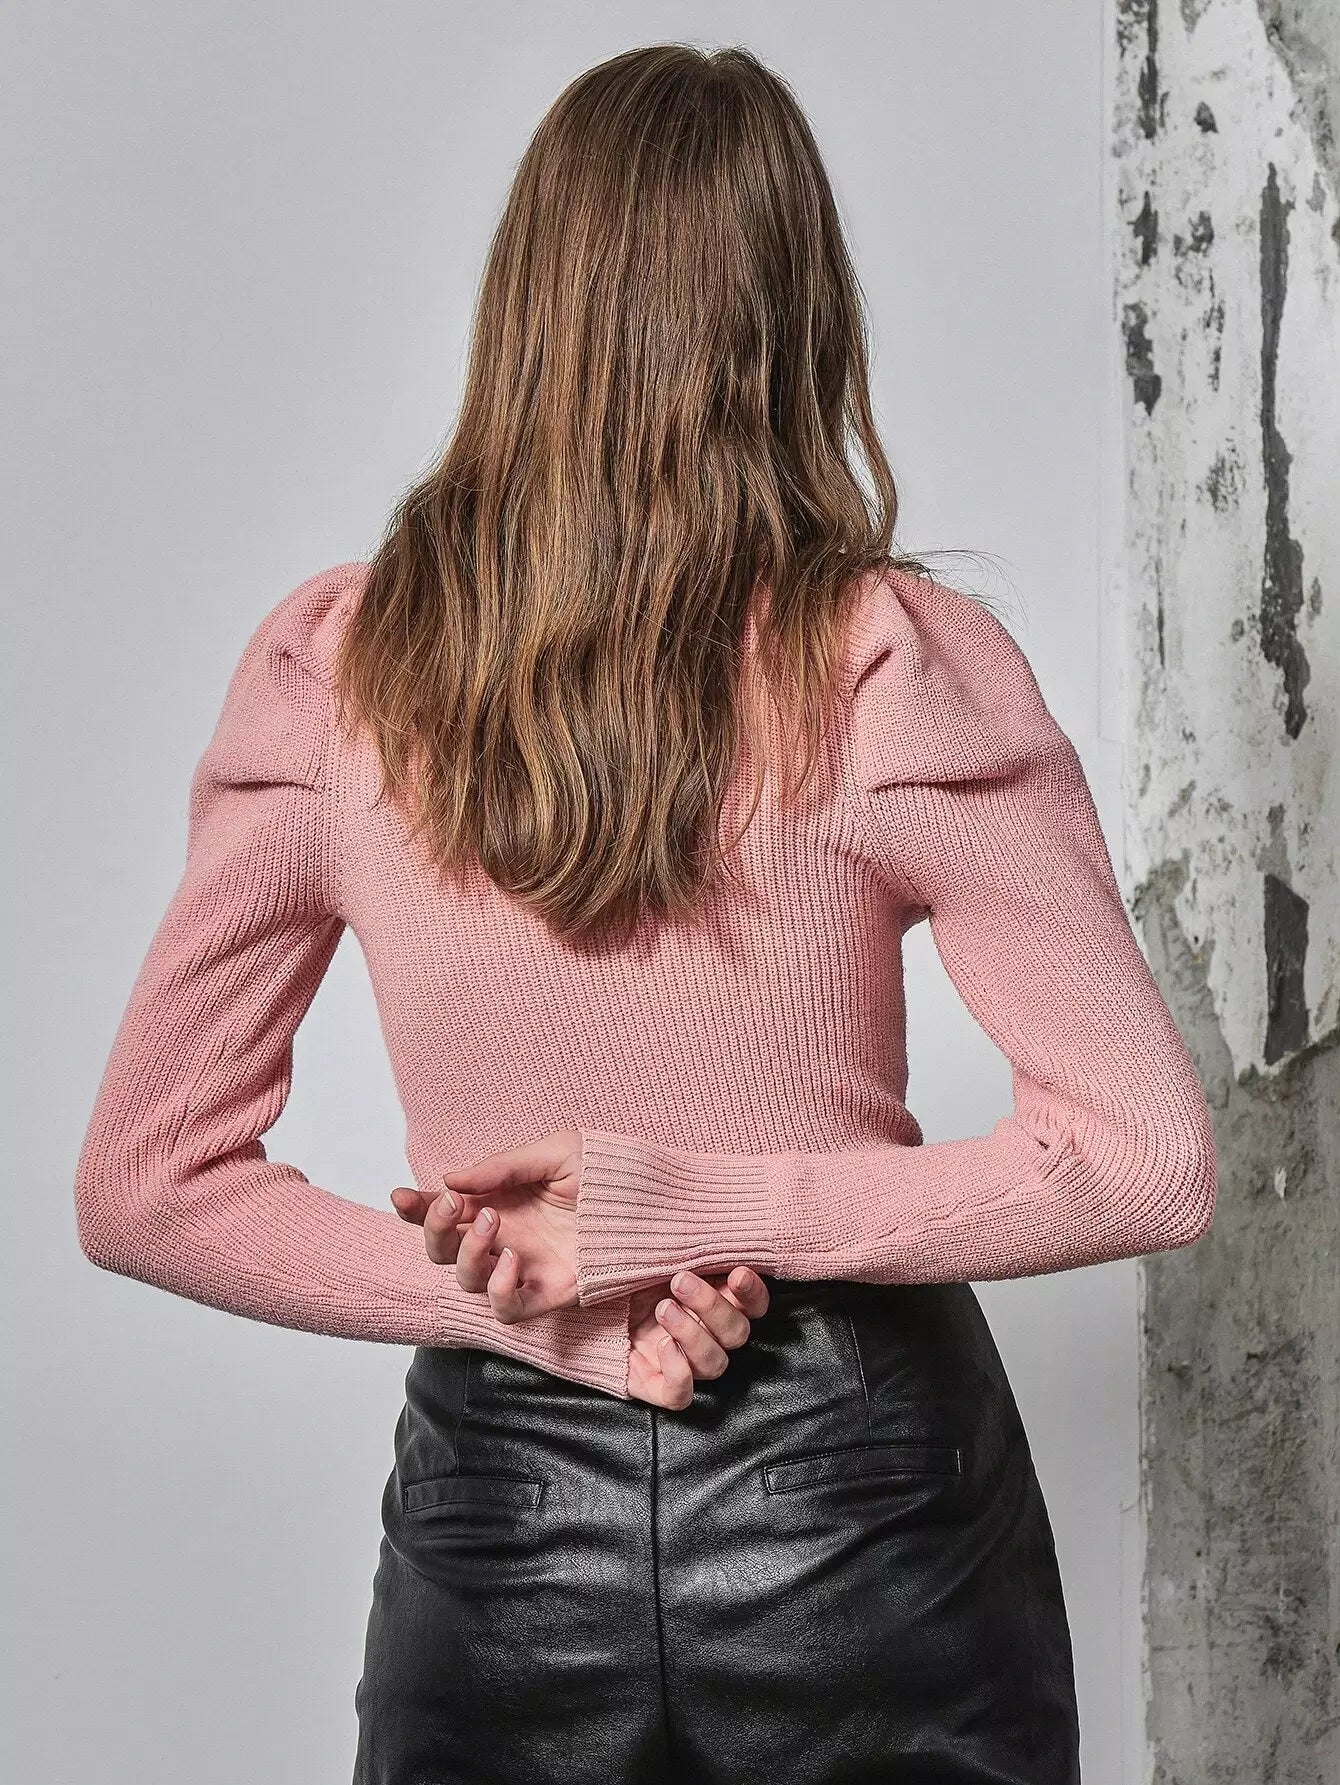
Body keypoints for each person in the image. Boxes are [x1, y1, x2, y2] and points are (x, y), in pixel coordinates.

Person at [73, 41, 1218, 1785]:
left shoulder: (338, 677)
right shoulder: (891, 665)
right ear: (801, 321)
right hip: (861, 1497)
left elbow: (144, 1180)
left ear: (527, 301)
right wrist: (716, 1207)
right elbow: (1146, 1155)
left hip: (502, 1518)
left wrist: (524, 1307)